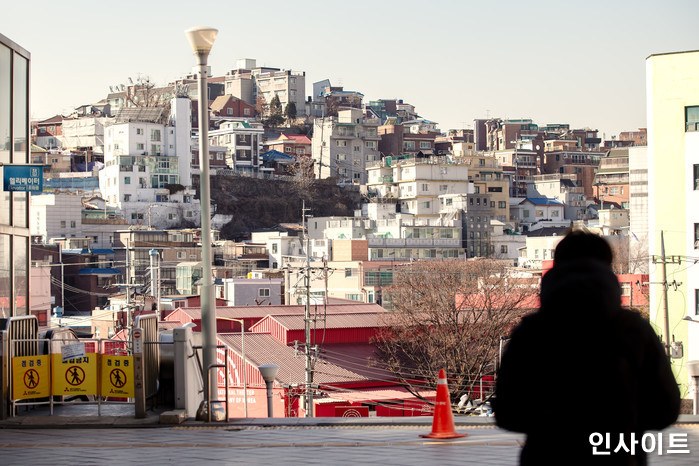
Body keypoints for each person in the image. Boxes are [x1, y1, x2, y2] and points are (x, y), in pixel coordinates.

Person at [493, 231, 680, 465]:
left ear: (557, 266)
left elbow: (508, 414)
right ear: (608, 267)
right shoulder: (634, 330)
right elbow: (666, 408)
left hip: (548, 456)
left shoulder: (532, 332)